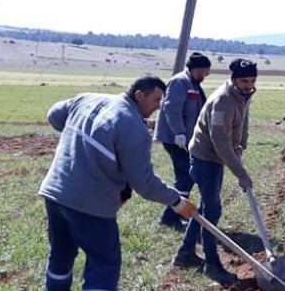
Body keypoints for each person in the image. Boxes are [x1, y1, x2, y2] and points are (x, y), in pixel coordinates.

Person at [39, 75, 196, 291]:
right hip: (91, 206)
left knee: (60, 253)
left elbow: (54, 115)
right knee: (104, 262)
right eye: (156, 100)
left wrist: (78, 138)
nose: (158, 107)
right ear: (139, 95)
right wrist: (176, 201)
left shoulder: (87, 99)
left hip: (55, 194)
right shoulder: (134, 127)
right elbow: (144, 183)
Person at [173, 58, 258, 286]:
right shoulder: (223, 101)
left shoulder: (243, 95)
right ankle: (212, 264)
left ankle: (185, 253)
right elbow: (220, 144)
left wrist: (241, 144)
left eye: (251, 80)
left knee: (205, 207)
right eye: (243, 81)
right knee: (212, 211)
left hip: (216, 156)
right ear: (233, 80)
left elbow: (244, 120)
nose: (248, 85)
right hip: (205, 158)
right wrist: (241, 173)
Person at [155, 52, 211, 231]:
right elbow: (171, 109)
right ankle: (170, 217)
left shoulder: (192, 83)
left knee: (186, 176)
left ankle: (172, 215)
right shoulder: (180, 82)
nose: (206, 75)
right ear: (197, 69)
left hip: (185, 139)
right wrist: (179, 133)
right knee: (185, 176)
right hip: (175, 139)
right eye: (204, 71)